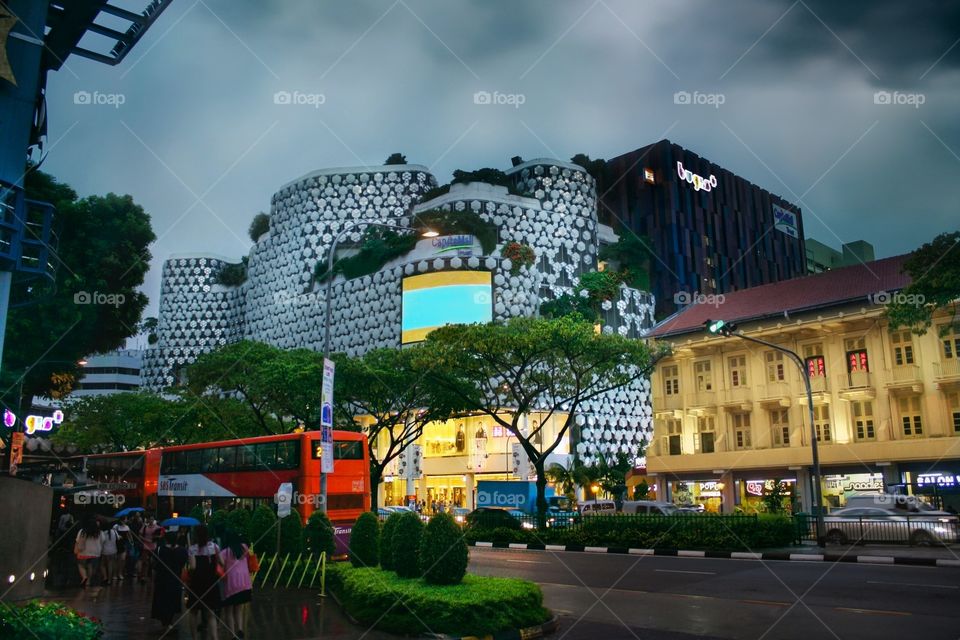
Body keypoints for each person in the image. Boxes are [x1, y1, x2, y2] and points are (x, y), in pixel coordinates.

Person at [186, 525, 221, 640]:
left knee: (193, 612)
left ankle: (195, 637)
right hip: (211, 583)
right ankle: (214, 638)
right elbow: (222, 562)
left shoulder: (192, 549)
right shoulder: (214, 547)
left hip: (196, 584)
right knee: (211, 613)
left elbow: (193, 567)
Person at [218, 527, 252, 640]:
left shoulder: (225, 552)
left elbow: (220, 565)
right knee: (238, 608)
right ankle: (240, 630)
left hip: (231, 585)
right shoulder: (244, 547)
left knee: (229, 610)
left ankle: (232, 634)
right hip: (245, 584)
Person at [151, 531, 188, 632]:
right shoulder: (182, 550)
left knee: (162, 599)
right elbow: (184, 564)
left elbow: (154, 564)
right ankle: (169, 620)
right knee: (172, 600)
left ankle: (164, 620)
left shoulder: (159, 549)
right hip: (175, 579)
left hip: (161, 579)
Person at [74, 516, 102, 589]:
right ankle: (88, 581)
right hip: (95, 552)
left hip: (84, 552)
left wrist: (76, 549)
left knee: (80, 564)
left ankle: (84, 577)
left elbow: (77, 541)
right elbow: (102, 541)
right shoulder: (98, 532)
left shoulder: (82, 531)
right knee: (90, 566)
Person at [99, 519, 119, 585]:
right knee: (110, 565)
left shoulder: (103, 533)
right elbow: (118, 538)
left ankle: (105, 577)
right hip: (113, 550)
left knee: (102, 565)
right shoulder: (114, 532)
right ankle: (110, 580)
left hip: (105, 551)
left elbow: (101, 541)